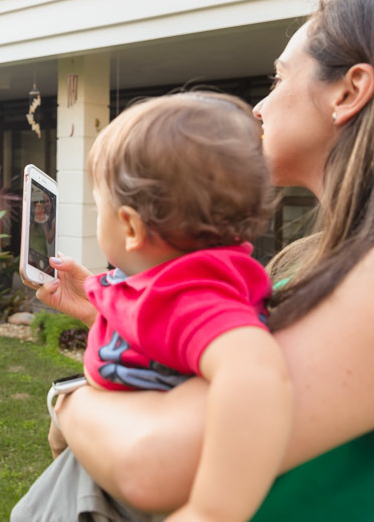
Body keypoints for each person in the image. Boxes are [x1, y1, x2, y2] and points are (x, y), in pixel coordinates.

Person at [29, 0, 374, 520]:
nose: (259, 107)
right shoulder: (314, 257)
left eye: (280, 78)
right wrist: (132, 311)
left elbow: (153, 462)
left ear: (348, 92)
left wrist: (71, 400)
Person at [73, 92, 291, 522]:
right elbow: (132, 303)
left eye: (100, 209)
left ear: (131, 226)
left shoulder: (195, 296)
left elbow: (257, 373)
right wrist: (86, 291)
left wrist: (213, 509)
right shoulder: (167, 282)